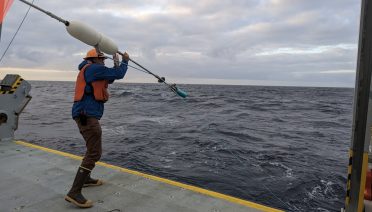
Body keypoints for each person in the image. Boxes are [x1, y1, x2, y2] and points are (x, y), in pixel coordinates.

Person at [65, 48, 130, 208]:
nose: (103, 62)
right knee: (94, 152)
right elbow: (119, 74)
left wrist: (117, 62)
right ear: (95, 59)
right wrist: (125, 60)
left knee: (91, 151)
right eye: (102, 59)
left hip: (85, 114)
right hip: (87, 116)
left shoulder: (91, 69)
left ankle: (86, 179)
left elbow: (112, 78)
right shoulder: (93, 68)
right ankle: (74, 192)